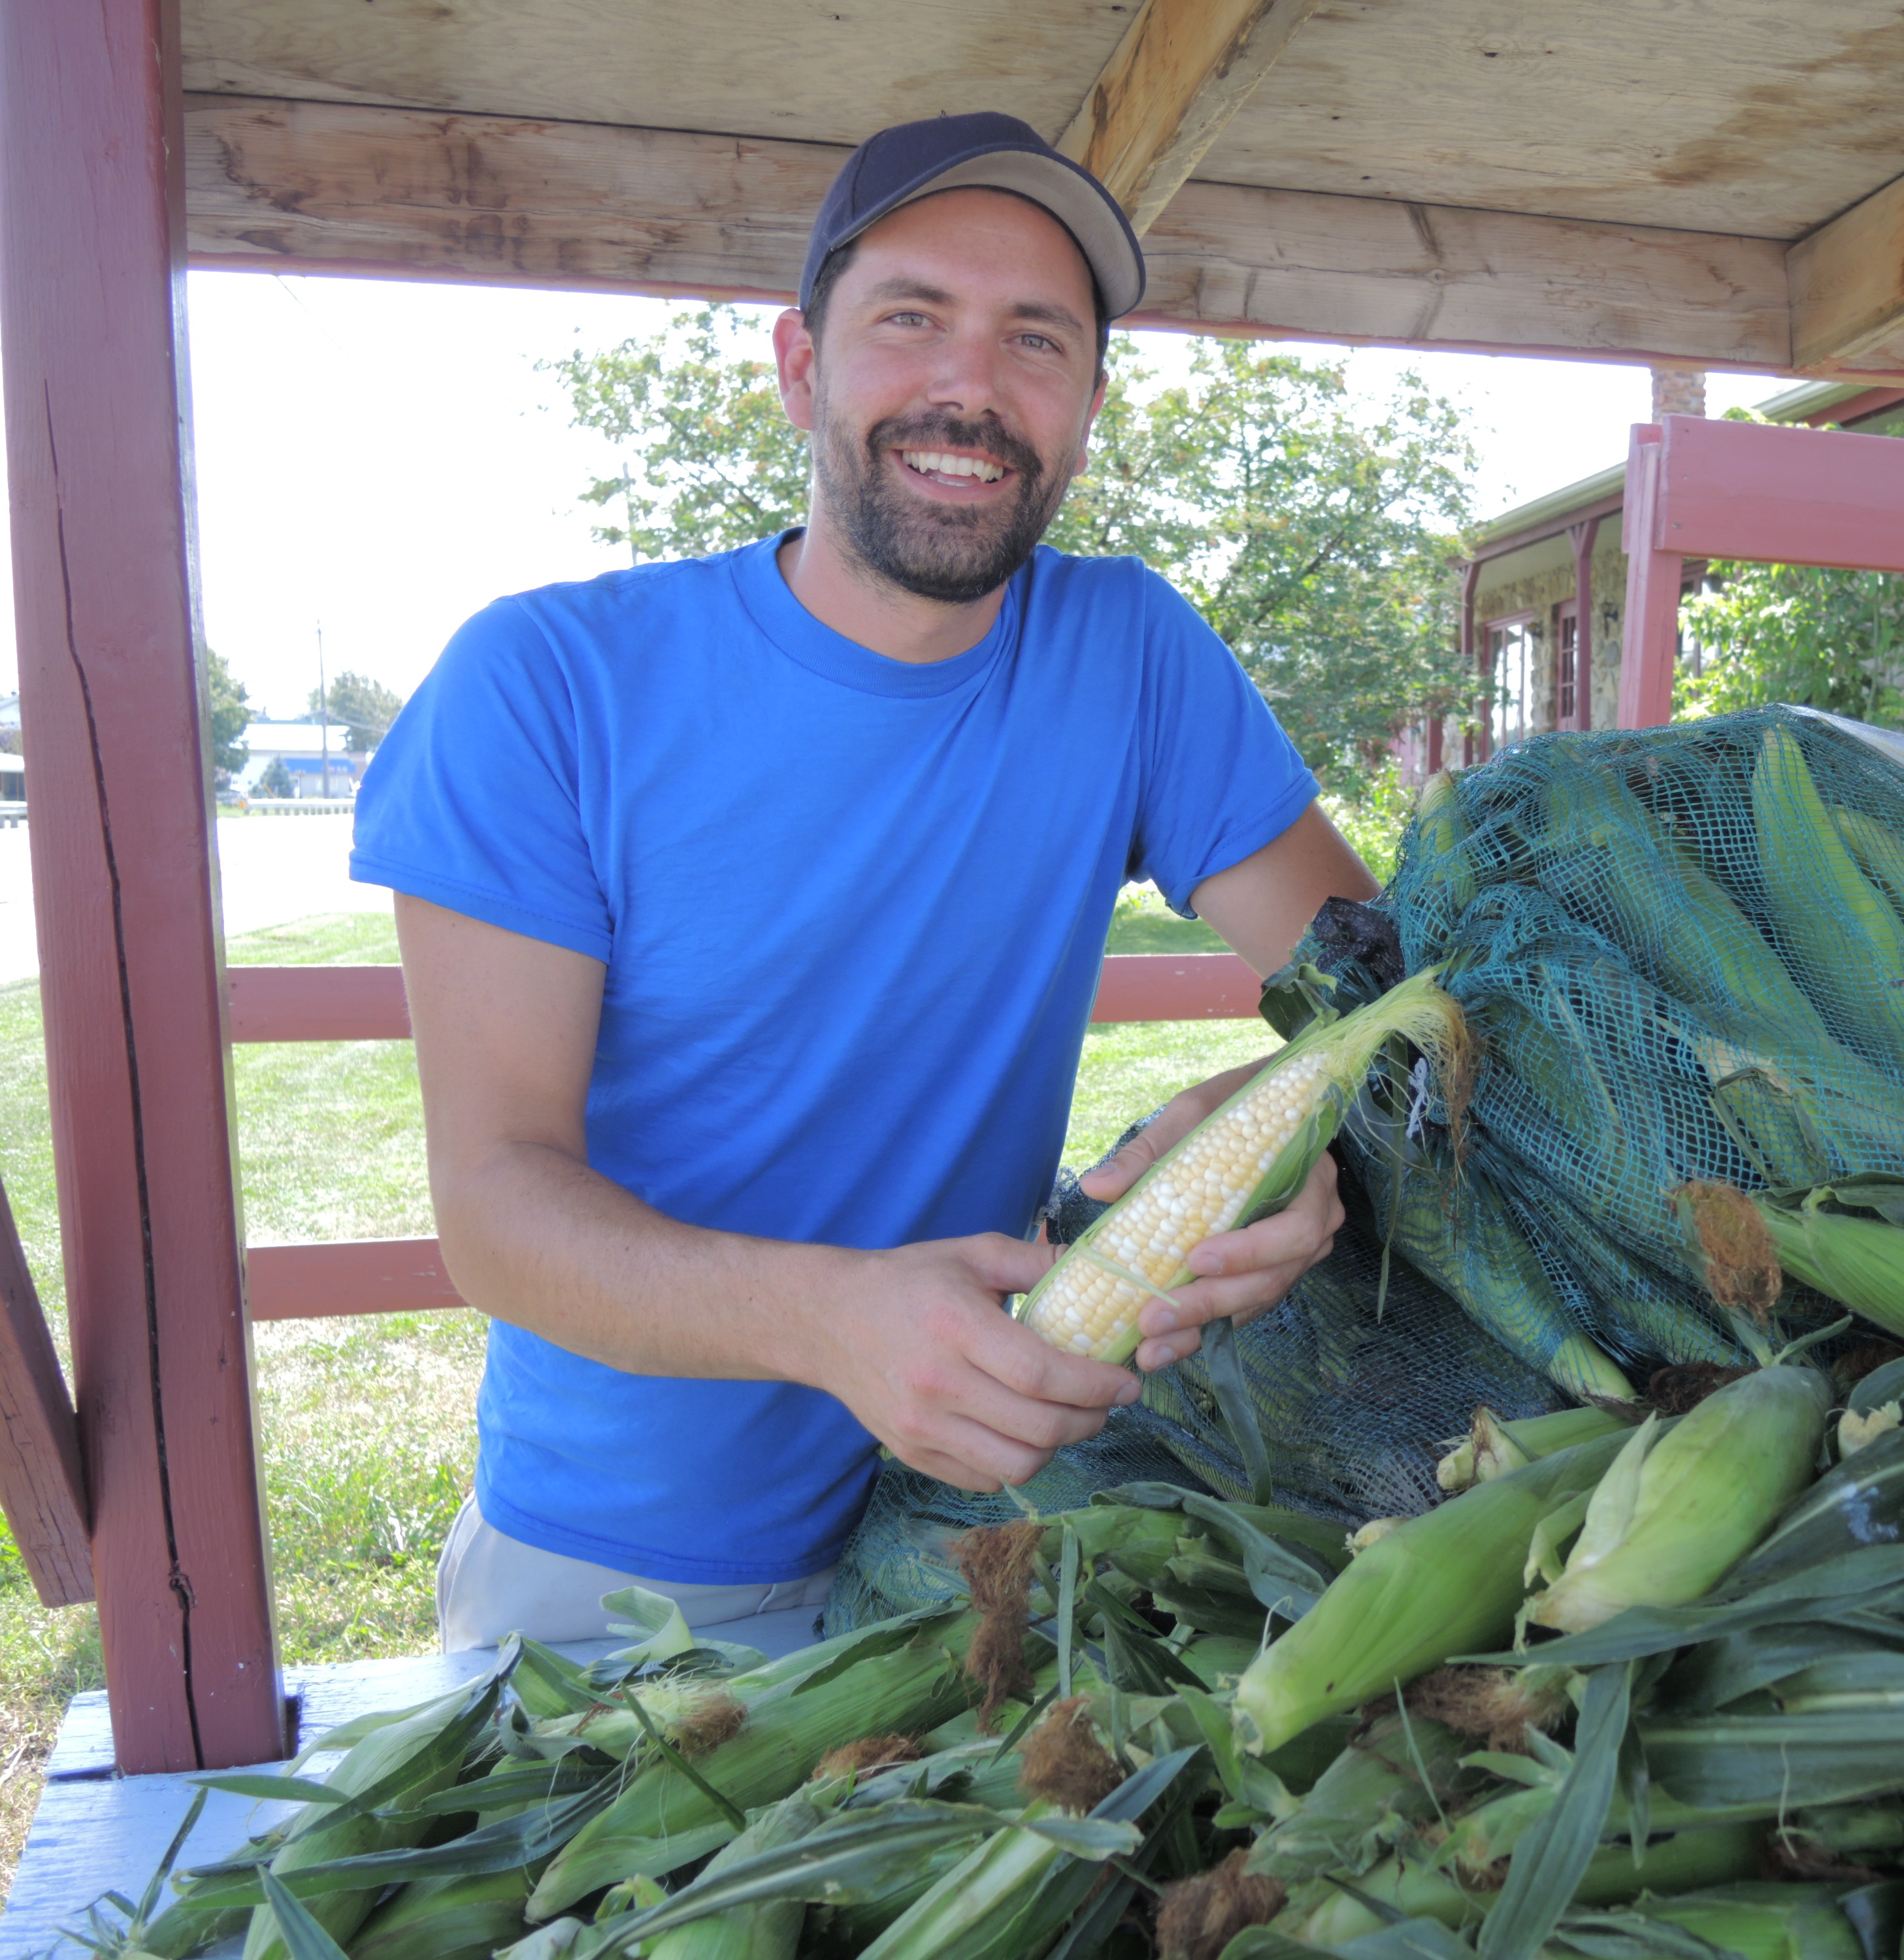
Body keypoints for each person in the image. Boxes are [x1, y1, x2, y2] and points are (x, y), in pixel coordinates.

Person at [352, 112, 1379, 1652]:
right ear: (799, 365)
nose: (970, 385)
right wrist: (829, 1321)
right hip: (628, 1575)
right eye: (911, 319)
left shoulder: (1132, 655)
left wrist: (1281, 1124)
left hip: (992, 1540)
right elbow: (494, 1207)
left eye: (1035, 339)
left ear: (1089, 409)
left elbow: (1382, 993)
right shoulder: (547, 683)